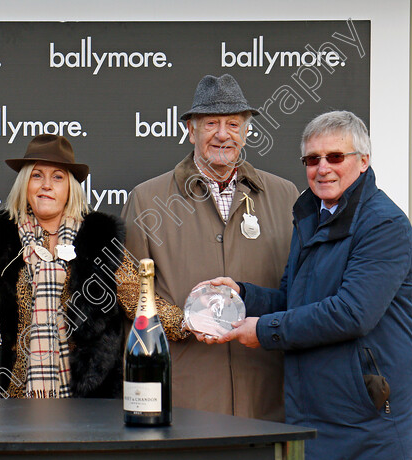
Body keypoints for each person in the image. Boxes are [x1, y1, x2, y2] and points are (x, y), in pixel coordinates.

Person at [203, 111, 412, 460]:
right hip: (316, 422)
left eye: (335, 157)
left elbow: (351, 313)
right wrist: (242, 295)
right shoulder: (311, 217)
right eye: (312, 159)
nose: (323, 168)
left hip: (368, 431)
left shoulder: (384, 224)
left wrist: (263, 331)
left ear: (363, 161)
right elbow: (294, 300)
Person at [121, 74, 298, 422]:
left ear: (246, 132)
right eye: (211, 123)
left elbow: (302, 291)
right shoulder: (147, 199)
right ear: (191, 130)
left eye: (233, 123)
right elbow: (128, 289)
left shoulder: (286, 196)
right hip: (185, 394)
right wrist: (186, 322)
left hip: (266, 397)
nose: (222, 134)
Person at [0, 134, 184, 398]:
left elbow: (136, 295)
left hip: (86, 395)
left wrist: (186, 323)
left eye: (57, 177)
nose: (46, 185)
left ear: (70, 187)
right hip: (13, 394)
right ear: (24, 184)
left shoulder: (97, 237)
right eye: (37, 176)